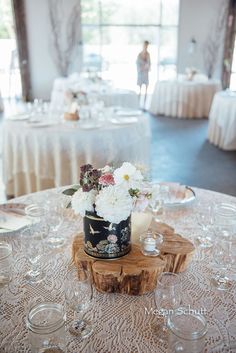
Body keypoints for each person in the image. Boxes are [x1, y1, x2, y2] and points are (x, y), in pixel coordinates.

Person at [136, 40, 151, 108]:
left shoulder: (148, 54)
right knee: (139, 89)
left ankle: (144, 105)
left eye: (147, 45)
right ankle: (138, 104)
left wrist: (147, 67)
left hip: (146, 74)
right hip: (140, 74)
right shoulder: (139, 54)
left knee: (146, 90)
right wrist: (142, 68)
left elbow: (149, 64)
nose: (146, 47)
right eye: (145, 45)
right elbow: (137, 64)